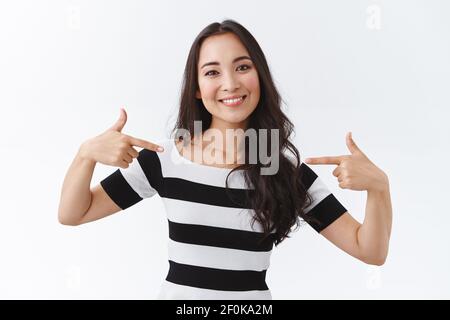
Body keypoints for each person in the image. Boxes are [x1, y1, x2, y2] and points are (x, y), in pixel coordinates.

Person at [58, 20, 392, 299]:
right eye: (212, 72)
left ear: (259, 76)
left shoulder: (280, 168)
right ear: (197, 89)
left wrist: (379, 188)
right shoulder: (166, 158)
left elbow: (370, 250)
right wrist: (85, 154)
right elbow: (74, 213)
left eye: (242, 67)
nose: (230, 83)